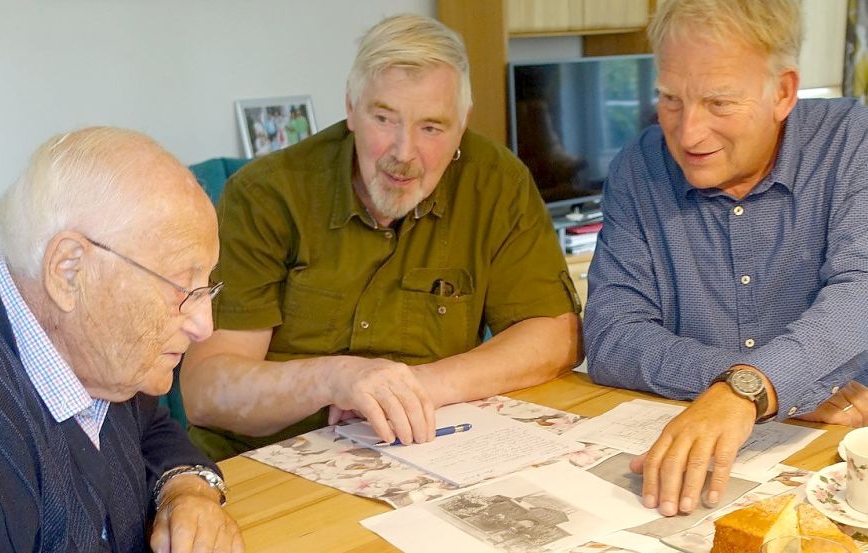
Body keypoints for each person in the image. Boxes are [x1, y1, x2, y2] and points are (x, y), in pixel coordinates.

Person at [181, 14, 583, 460]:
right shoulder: (266, 194)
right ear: (351, 108)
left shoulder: (497, 183)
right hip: (262, 463)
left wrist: (421, 387)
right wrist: (336, 379)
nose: (404, 153)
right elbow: (207, 390)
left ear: (462, 123)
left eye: (431, 127)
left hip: (422, 454)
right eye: (384, 118)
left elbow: (555, 336)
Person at [0, 127, 243, 552]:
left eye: (207, 287)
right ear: (68, 270)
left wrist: (185, 490)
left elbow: (149, 427)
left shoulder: (89, 346)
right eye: (182, 288)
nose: (204, 325)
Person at [583, 0, 868, 518]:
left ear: (782, 92)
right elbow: (611, 337)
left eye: (719, 103)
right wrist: (756, 385)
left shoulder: (855, 142)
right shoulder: (637, 169)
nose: (688, 133)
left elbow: (861, 292)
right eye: (670, 98)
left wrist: (758, 387)